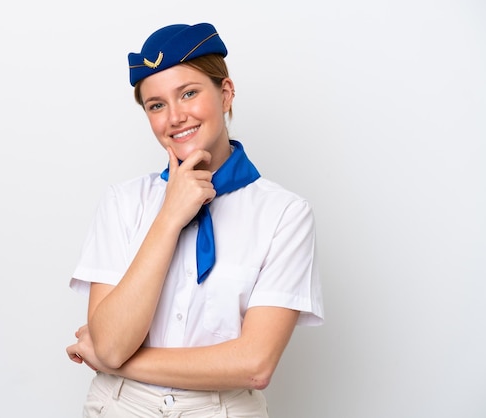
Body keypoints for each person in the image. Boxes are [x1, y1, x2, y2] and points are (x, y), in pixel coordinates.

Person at [66, 22, 324, 417]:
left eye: (188, 93)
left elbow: (254, 365)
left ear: (225, 93)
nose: (175, 117)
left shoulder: (284, 215)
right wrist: (169, 218)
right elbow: (113, 342)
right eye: (156, 105)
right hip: (120, 405)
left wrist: (114, 361)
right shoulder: (123, 202)